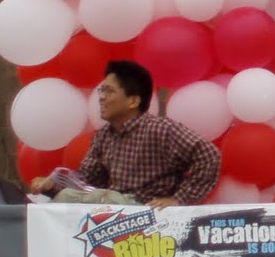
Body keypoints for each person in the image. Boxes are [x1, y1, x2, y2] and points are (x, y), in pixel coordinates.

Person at [27, 60, 220, 208]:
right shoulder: (103, 136)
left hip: (147, 215)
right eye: (101, 90)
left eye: (109, 91)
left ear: (133, 102)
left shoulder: (160, 129)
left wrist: (178, 200)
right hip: (111, 212)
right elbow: (87, 183)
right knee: (61, 199)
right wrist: (51, 186)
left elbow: (209, 156)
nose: (101, 97)